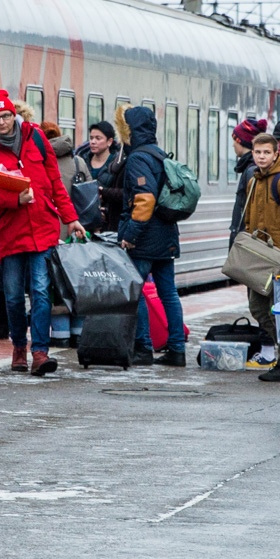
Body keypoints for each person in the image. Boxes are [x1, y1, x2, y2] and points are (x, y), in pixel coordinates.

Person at [0, 89, 86, 375]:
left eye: (6, 116)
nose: (2, 122)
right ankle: (19, 347)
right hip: (10, 232)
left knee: (41, 292)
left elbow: (55, 181)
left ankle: (40, 353)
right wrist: (13, 200)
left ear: (14, 114)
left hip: (43, 229)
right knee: (11, 296)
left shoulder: (35, 137)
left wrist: (70, 218)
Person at [117, 104, 188, 366]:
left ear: (130, 130)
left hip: (145, 237)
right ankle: (177, 350)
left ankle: (143, 347)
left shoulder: (138, 158)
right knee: (168, 292)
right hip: (166, 235)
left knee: (136, 292)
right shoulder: (158, 153)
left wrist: (130, 235)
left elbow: (144, 200)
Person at [235, 131, 280, 382]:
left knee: (279, 311)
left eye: (266, 153)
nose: (261, 157)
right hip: (258, 256)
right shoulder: (253, 180)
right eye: (257, 152)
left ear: (276, 154)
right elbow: (249, 218)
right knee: (258, 308)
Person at [227, 117, 269, 237]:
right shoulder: (251, 168)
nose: (233, 145)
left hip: (244, 235)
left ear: (241, 142)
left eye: (235, 140)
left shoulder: (251, 171)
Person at [79, 120, 125, 226]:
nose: (93, 142)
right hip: (84, 219)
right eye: (91, 138)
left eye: (98, 138)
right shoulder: (81, 161)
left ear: (109, 141)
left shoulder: (118, 164)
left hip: (110, 221)